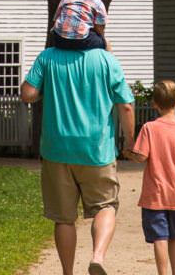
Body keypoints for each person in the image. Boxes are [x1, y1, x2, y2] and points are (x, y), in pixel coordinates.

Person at [20, 47, 135, 275]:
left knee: (64, 219)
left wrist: (46, 87)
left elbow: (28, 93)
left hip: (57, 151)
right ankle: (98, 256)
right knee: (105, 206)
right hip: (97, 150)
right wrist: (131, 143)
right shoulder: (106, 60)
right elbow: (126, 105)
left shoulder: (48, 57)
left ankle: (67, 272)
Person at [125, 80, 175, 275]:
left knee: (160, 237)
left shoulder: (149, 128)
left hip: (154, 193)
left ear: (155, 104)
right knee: (174, 235)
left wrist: (129, 152)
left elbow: (142, 156)